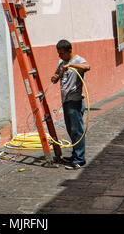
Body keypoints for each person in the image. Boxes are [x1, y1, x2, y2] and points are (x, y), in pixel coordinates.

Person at [51, 39, 90, 170]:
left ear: (69, 51)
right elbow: (57, 74)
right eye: (58, 54)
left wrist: (72, 66)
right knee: (71, 130)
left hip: (75, 101)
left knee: (77, 131)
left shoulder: (78, 60)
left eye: (62, 53)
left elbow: (87, 67)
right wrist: (55, 77)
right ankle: (74, 155)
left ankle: (80, 160)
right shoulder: (62, 62)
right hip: (66, 101)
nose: (60, 56)